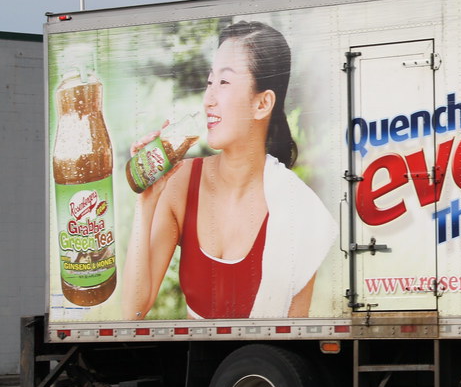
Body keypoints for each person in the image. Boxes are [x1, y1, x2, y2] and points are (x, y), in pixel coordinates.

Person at [122, 21, 336, 320]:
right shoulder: (182, 181)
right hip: (197, 355)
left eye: (224, 83)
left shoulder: (300, 210)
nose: (209, 99)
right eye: (210, 82)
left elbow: (294, 330)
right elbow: (133, 310)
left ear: (262, 103)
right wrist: (146, 201)